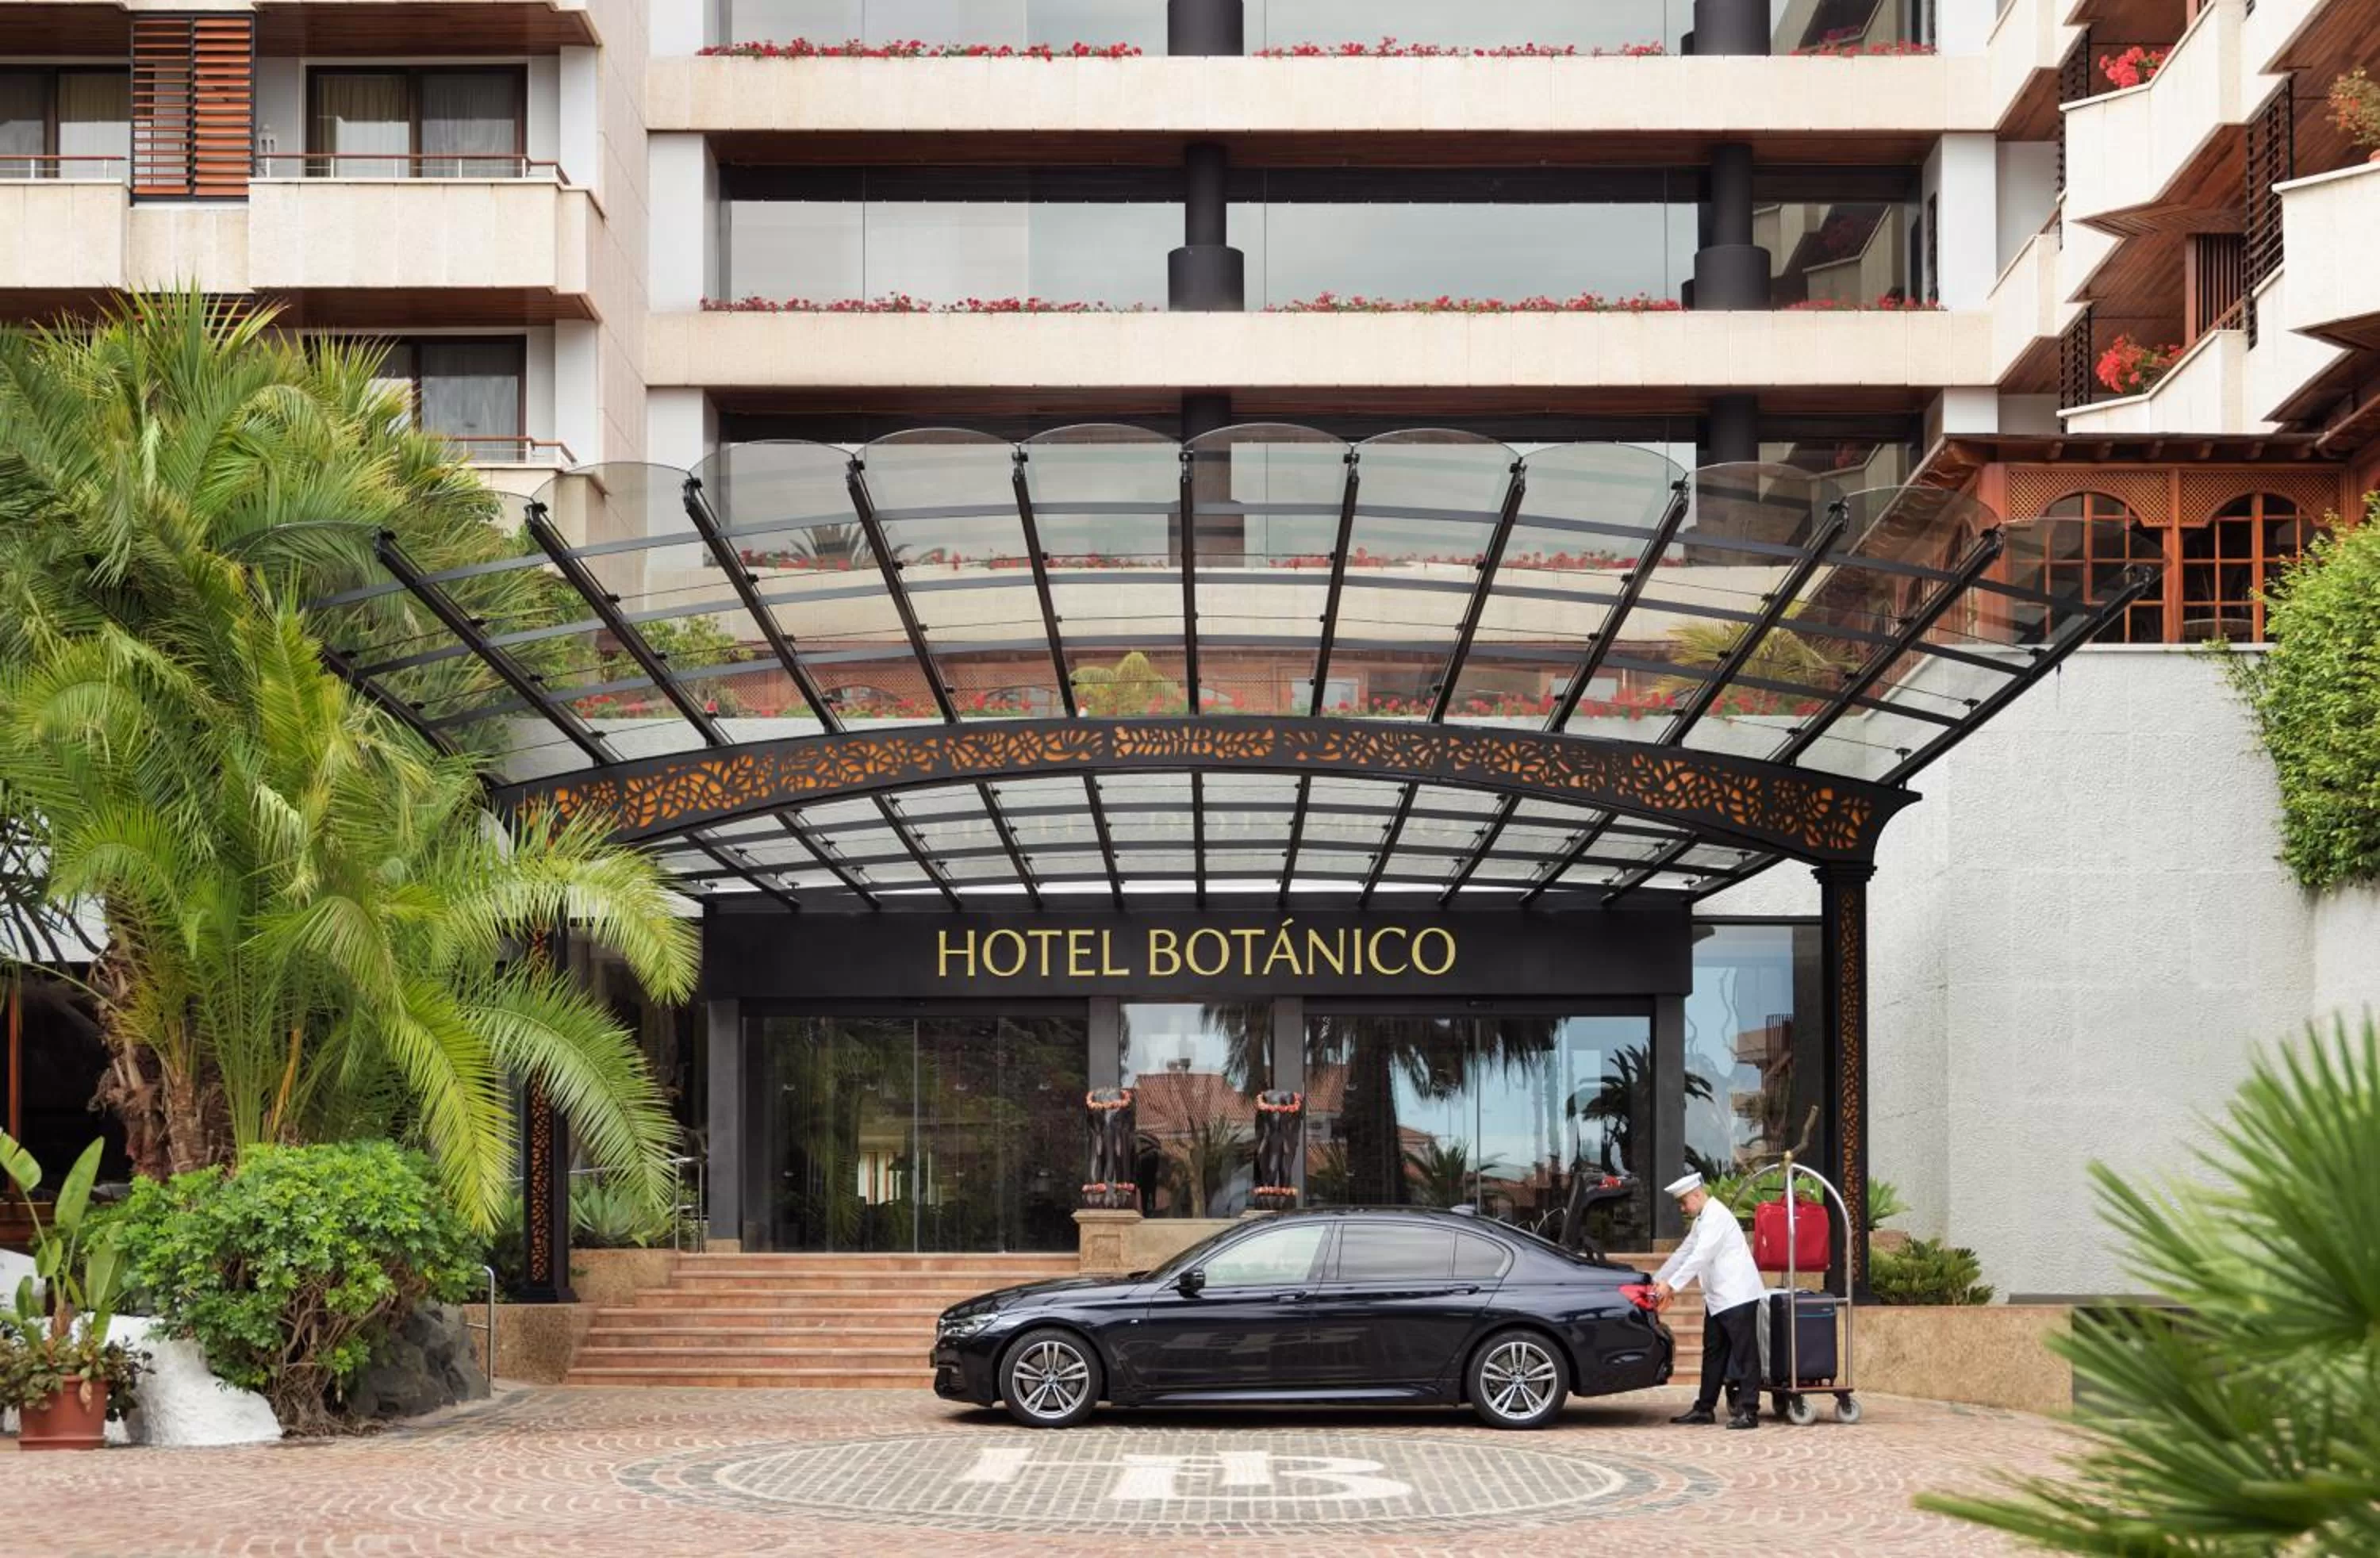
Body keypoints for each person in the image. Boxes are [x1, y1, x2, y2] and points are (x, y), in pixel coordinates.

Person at [1652, 1172, 1764, 1429]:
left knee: (1746, 1354)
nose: (1683, 1208)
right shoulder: (1702, 1220)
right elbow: (1685, 1251)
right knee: (1713, 1353)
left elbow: (1699, 1257)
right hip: (1718, 1299)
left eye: (1684, 1202)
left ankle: (1749, 1411)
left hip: (1737, 1296)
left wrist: (1671, 1286)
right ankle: (1704, 1408)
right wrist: (1659, 1278)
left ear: (1697, 1194)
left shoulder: (1716, 1217)